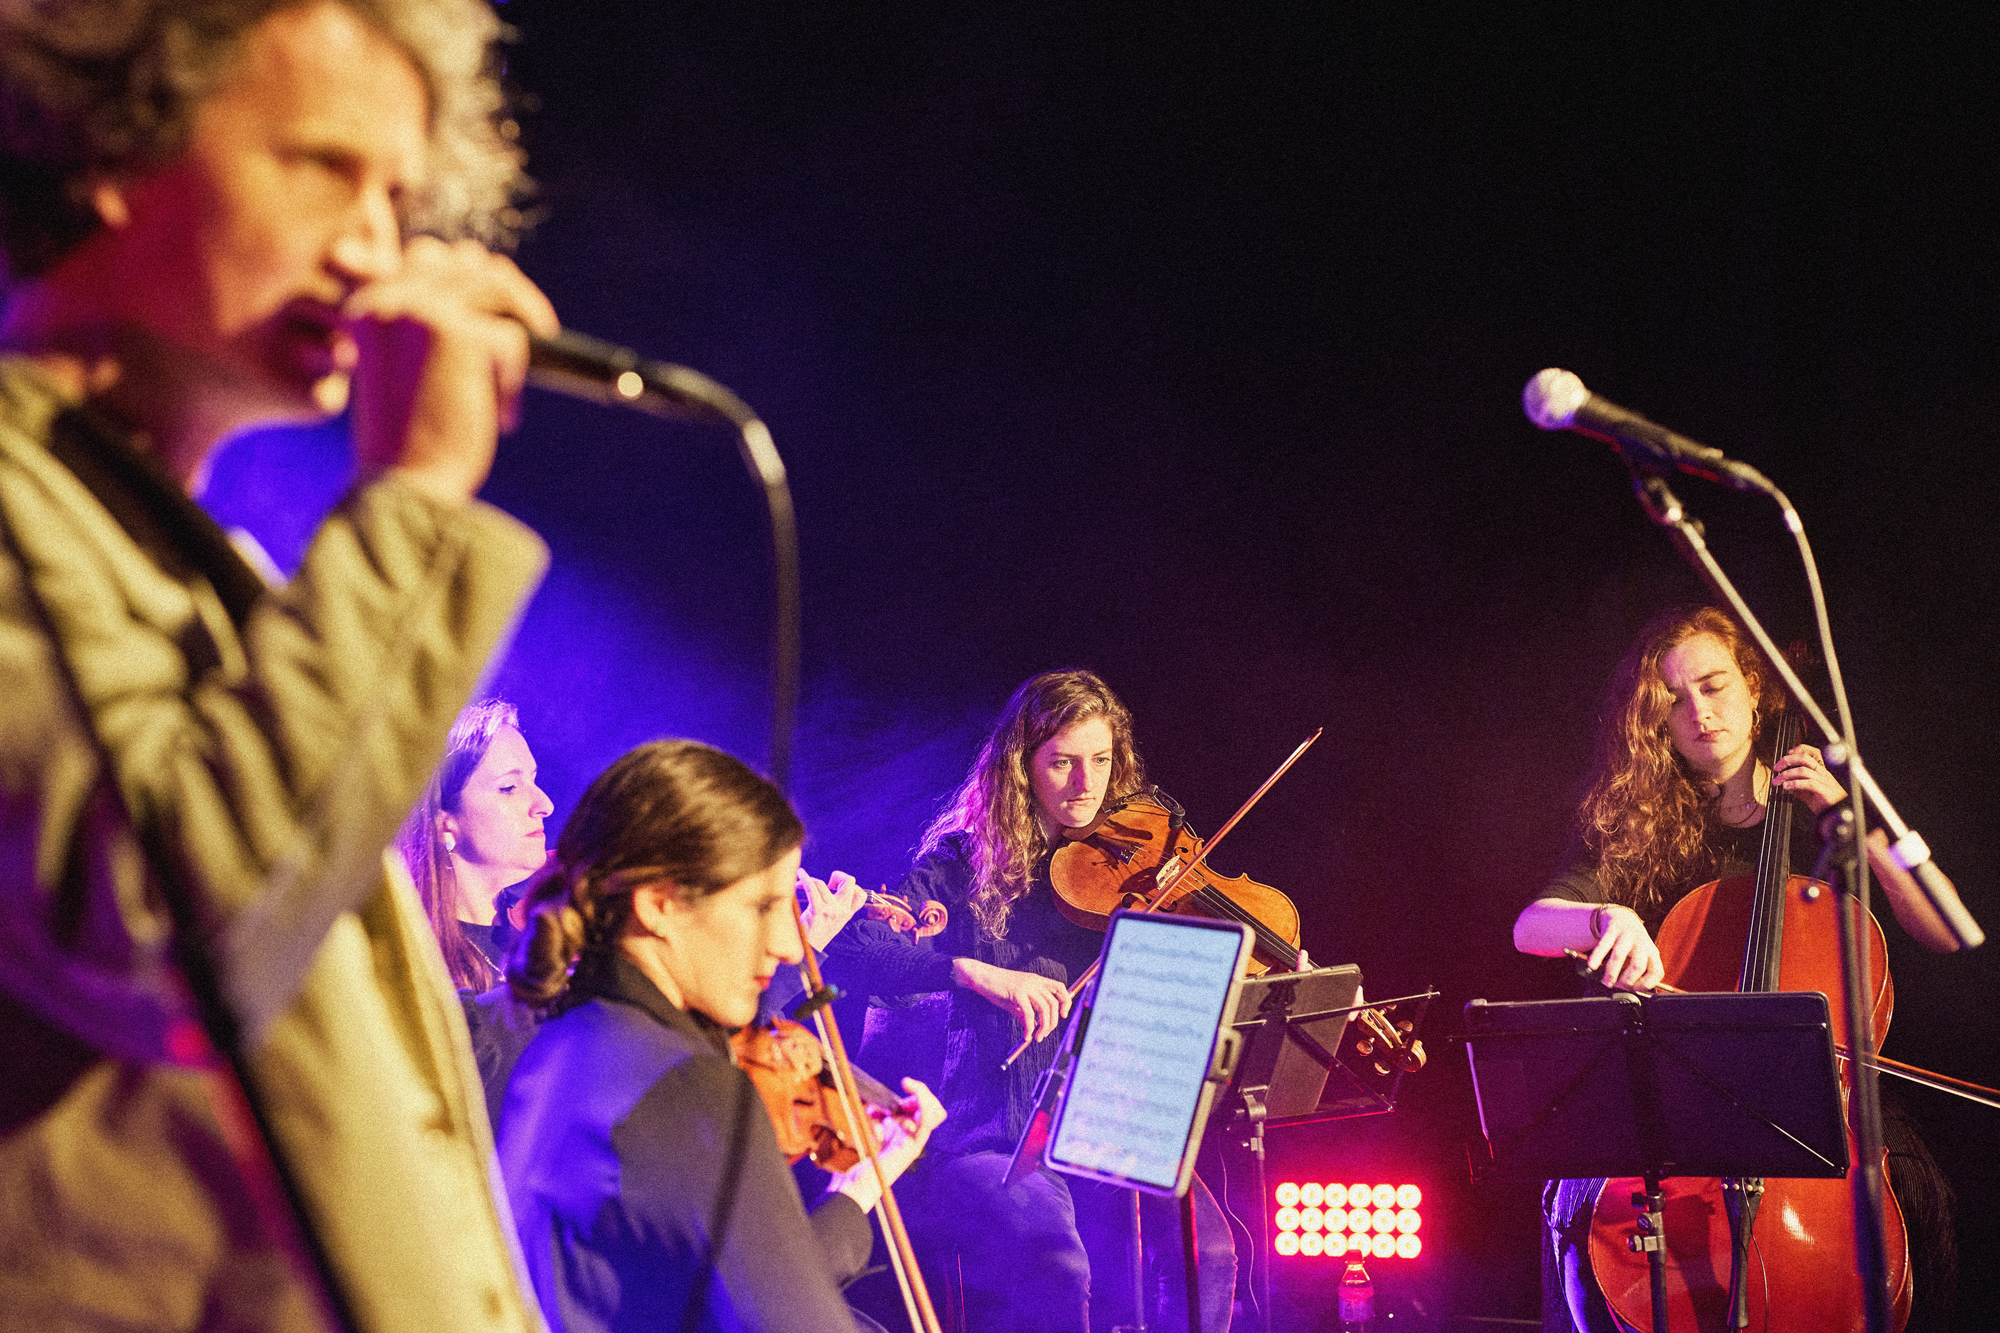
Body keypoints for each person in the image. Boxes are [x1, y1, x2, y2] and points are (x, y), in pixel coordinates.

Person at [0, 1, 560, 1328]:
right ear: (108, 148)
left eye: (402, 193)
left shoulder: (228, 575)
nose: (379, 244)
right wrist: (419, 497)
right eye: (322, 165)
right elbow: (165, 933)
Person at [1512, 605, 1959, 1333]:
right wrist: (1603, 917)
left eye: (1715, 685)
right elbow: (1531, 926)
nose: (1700, 713)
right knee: (1576, 1190)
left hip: (1825, 1113)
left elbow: (1940, 929)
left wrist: (1846, 815)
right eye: (1674, 702)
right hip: (1688, 1110)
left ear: (1754, 687)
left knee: (1904, 1186)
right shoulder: (1639, 823)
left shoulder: (1827, 814)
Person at [820, 668, 1238, 1333]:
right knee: (1057, 1265)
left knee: (1210, 1252)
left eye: (1101, 761)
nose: (1085, 783)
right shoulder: (962, 866)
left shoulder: (1127, 861)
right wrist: (974, 971)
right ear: (1022, 767)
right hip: (997, 1129)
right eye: (1063, 763)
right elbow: (856, 949)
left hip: (1108, 1118)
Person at [496, 739, 945, 1333]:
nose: (790, 946)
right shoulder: (687, 1086)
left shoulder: (560, 1041)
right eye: (765, 906)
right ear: (658, 905)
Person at [398, 698, 555, 991]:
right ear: (446, 824)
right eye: (508, 788)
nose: (545, 805)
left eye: (534, 780)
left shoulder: (549, 920)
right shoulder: (417, 963)